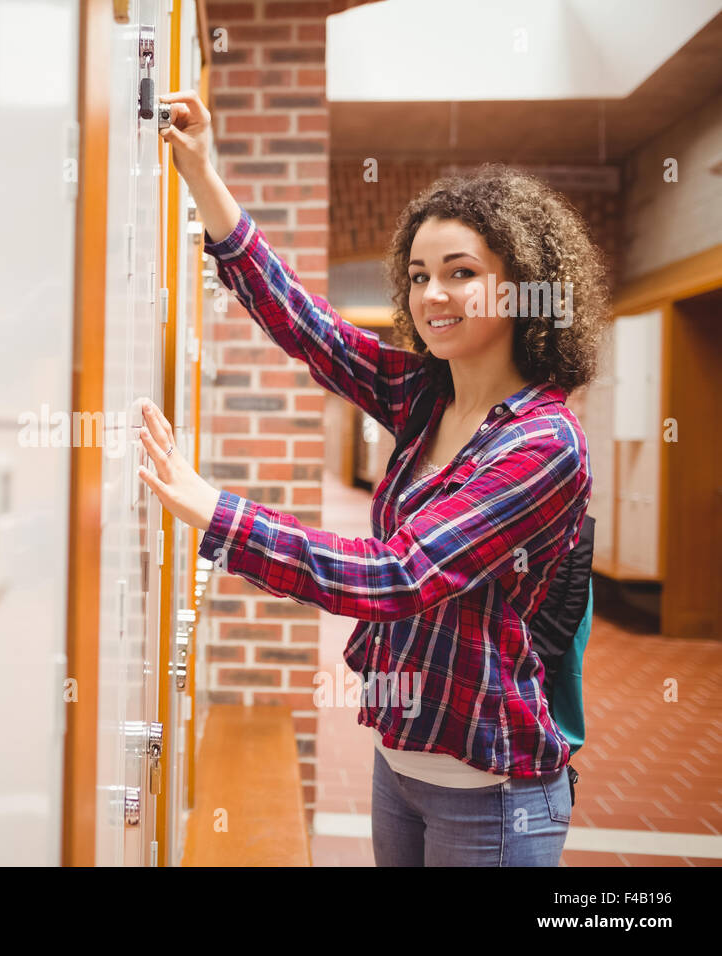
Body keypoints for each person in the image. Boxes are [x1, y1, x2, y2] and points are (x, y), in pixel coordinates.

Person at [137, 90, 610, 866]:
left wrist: (219, 514)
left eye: (461, 273)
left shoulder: (543, 443)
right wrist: (201, 174)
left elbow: (399, 575)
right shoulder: (428, 389)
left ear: (523, 286)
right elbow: (307, 325)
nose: (432, 296)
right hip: (403, 763)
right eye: (419, 274)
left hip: (493, 790)